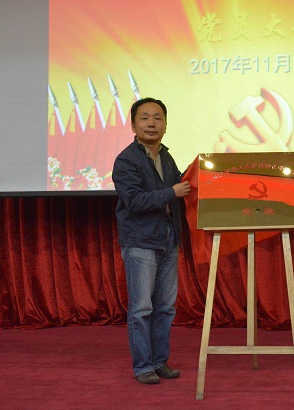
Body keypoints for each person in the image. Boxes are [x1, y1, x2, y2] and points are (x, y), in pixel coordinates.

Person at [112, 97, 191, 385]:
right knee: (142, 309)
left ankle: (160, 362)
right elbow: (134, 201)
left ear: (166, 125)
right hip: (141, 242)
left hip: (168, 237)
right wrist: (172, 192)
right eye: (144, 118)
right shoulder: (126, 160)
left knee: (166, 307)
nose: (151, 123)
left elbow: (182, 185)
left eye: (158, 118)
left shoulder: (166, 156)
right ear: (133, 125)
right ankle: (143, 366)